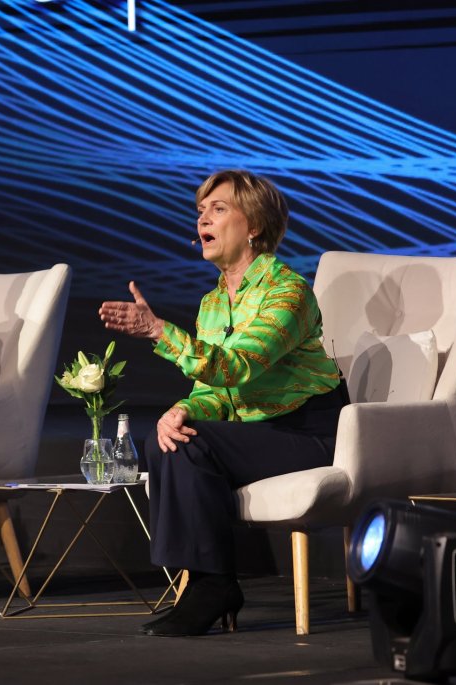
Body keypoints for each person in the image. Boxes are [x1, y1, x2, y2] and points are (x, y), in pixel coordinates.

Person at [98, 170, 346, 636]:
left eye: (218, 209)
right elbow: (214, 391)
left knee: (191, 444)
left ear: (254, 225)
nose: (202, 220)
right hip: (257, 434)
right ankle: (208, 584)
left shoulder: (287, 291)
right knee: (171, 439)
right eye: (200, 211)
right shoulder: (212, 304)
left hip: (309, 433)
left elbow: (239, 366)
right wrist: (184, 410)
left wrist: (160, 332)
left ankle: (211, 586)